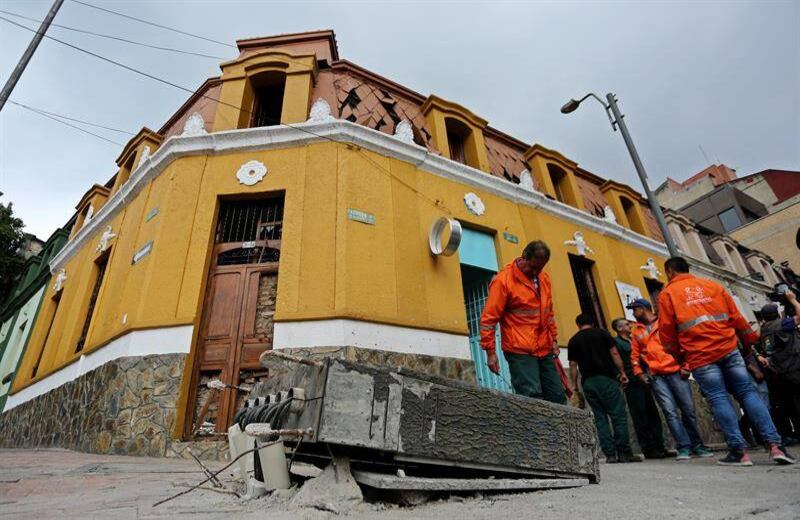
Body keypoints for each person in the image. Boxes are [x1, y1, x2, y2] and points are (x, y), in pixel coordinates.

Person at [658, 256, 795, 466]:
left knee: (718, 397)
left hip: (700, 356)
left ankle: (739, 452)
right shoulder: (713, 286)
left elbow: (667, 332)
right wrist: (749, 342)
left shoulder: (668, 293)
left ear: (669, 272)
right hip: (729, 350)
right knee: (748, 393)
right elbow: (737, 318)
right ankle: (776, 446)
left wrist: (678, 356)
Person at [626, 298, 713, 461]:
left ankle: (697, 445)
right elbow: (634, 355)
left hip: (677, 372)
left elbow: (683, 343)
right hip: (657, 376)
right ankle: (684, 447)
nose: (632, 313)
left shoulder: (665, 323)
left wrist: (687, 365)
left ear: (644, 309)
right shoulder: (636, 331)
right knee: (670, 412)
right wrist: (639, 373)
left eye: (634, 309)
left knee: (688, 410)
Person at [480, 241, 566, 404]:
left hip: (544, 347)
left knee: (557, 396)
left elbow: (549, 313)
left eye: (539, 269)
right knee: (531, 397)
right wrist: (490, 353)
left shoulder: (544, 278)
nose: (535, 272)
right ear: (524, 257)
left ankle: (555, 430)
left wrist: (553, 340)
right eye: (532, 267)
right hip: (519, 350)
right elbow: (488, 319)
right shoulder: (503, 281)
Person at [568, 313, 640, 463]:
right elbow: (614, 353)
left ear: (578, 325)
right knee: (618, 415)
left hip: (588, 383)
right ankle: (624, 452)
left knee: (600, 418)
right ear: (593, 323)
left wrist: (574, 385)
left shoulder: (573, 340)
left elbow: (573, 366)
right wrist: (622, 372)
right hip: (607, 379)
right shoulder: (602, 334)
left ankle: (610, 455)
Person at [611, 316, 671, 459]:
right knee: (640, 416)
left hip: (644, 379)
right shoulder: (617, 343)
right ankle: (649, 449)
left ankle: (660, 446)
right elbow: (615, 360)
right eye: (626, 324)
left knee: (653, 414)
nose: (630, 326)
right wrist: (621, 375)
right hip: (632, 382)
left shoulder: (634, 340)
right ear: (619, 328)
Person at [757, 290, 800, 445]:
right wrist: (793, 301)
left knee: (786, 405)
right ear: (777, 314)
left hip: (778, 372)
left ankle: (788, 435)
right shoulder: (783, 323)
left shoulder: (763, 330)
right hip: (794, 368)